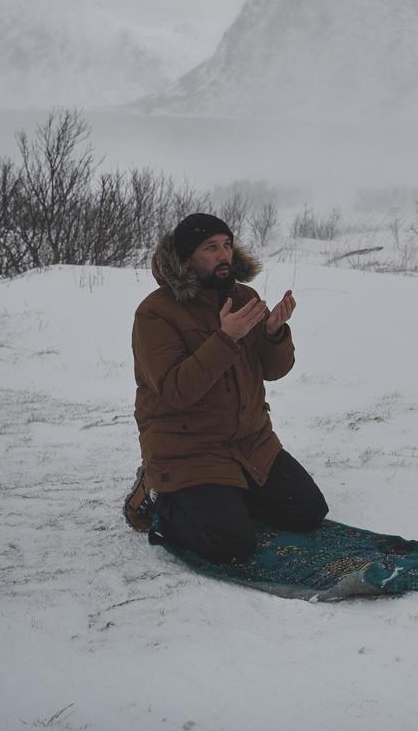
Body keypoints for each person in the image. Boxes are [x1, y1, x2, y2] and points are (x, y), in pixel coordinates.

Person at [122, 212, 328, 563]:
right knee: (230, 545)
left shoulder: (244, 296)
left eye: (228, 245)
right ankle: (160, 498)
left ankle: (231, 495)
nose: (223, 255)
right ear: (186, 258)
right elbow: (175, 391)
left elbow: (275, 371)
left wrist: (273, 334)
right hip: (189, 451)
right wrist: (225, 339)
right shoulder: (155, 314)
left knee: (308, 511)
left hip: (251, 443)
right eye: (211, 248)